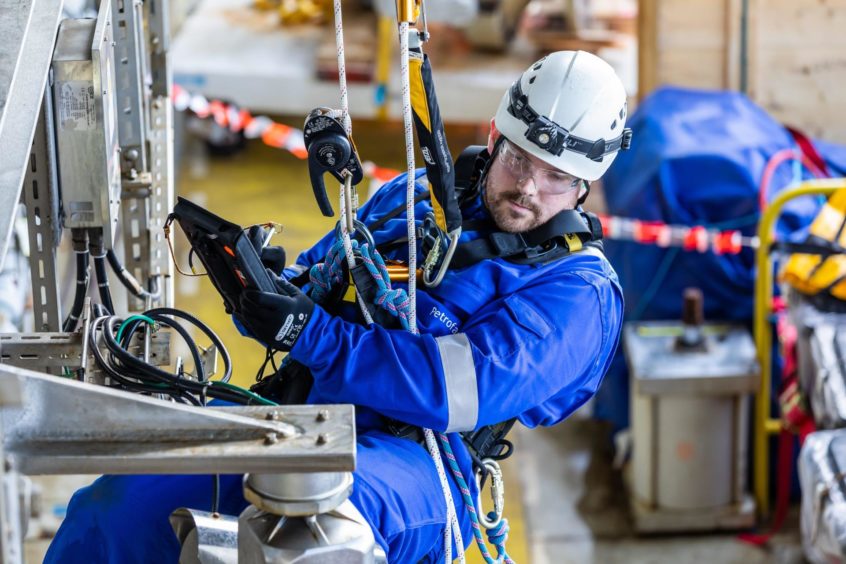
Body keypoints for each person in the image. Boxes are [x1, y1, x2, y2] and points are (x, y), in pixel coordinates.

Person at [45, 50, 628, 563]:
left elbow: (458, 389)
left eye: (557, 176)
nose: (529, 186)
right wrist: (269, 282)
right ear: (496, 134)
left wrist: (311, 333)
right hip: (303, 416)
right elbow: (321, 277)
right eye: (521, 159)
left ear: (586, 183)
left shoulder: (578, 293)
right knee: (112, 511)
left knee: (315, 529)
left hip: (411, 461)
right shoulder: (418, 196)